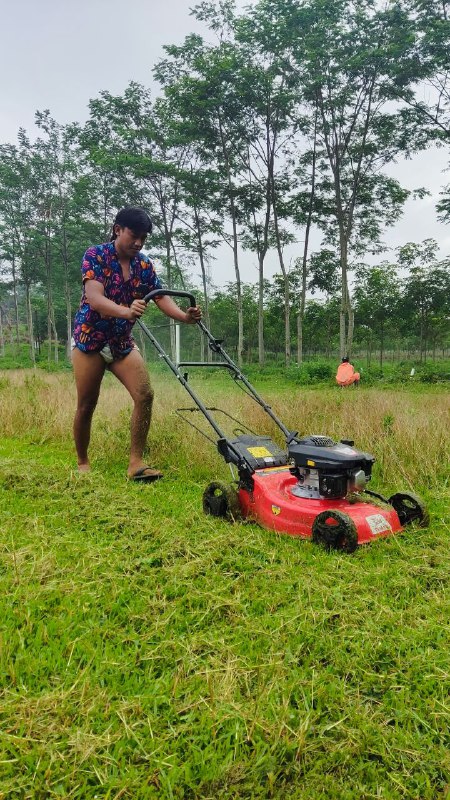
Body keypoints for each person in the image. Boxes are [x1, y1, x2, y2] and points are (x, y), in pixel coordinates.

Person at [72, 206, 202, 481]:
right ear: (118, 229)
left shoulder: (143, 265)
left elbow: (160, 296)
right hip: (90, 338)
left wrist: (184, 317)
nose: (139, 242)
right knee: (87, 403)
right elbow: (94, 298)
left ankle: (136, 463)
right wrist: (126, 311)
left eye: (144, 237)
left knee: (145, 395)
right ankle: (83, 462)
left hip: (121, 342)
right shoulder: (96, 255)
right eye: (134, 235)